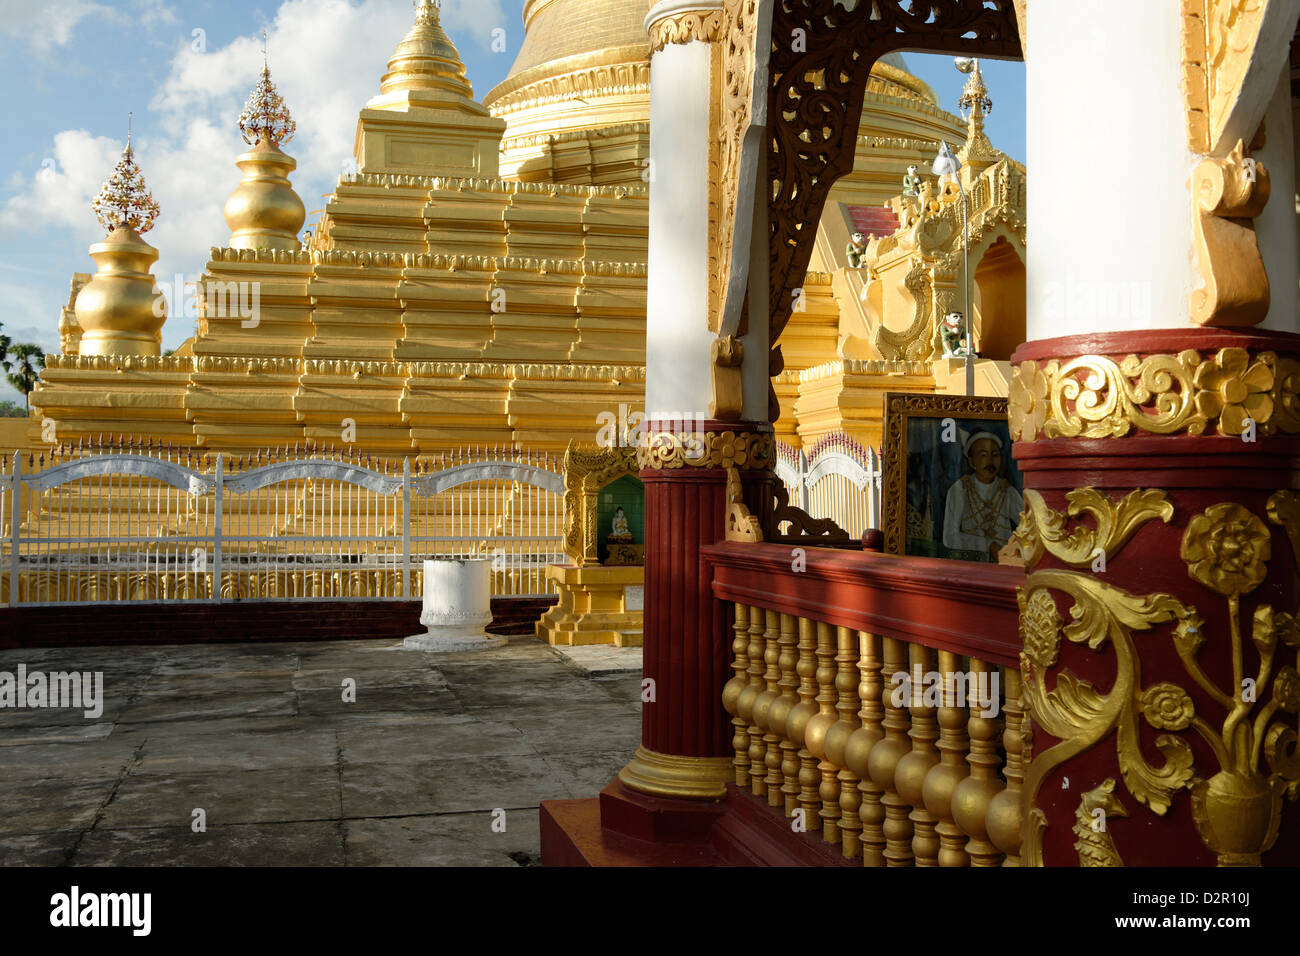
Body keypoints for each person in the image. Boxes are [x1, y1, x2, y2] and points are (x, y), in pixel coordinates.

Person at [942, 430, 1021, 561]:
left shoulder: (1007, 491)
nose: (990, 461)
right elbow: (950, 537)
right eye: (984, 455)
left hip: (1004, 563)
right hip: (969, 564)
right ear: (972, 461)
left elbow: (1027, 527)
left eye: (995, 455)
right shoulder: (960, 489)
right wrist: (989, 545)